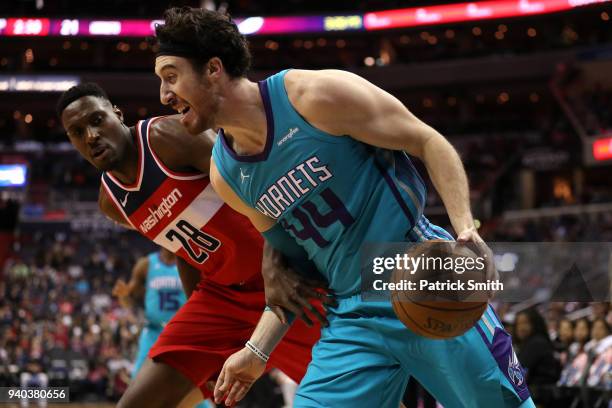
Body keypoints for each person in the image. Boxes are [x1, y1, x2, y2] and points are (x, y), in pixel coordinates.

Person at [153, 7, 535, 408]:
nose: (163, 95)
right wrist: (257, 350)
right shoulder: (227, 176)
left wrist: (465, 231)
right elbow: (295, 274)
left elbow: (427, 141)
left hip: (419, 274)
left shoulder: (313, 97)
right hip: (351, 313)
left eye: (171, 77)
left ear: (213, 69)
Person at [56, 83, 329, 408]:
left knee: (362, 396)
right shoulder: (112, 202)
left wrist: (276, 261)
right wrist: (202, 335)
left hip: (280, 281)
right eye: (77, 132)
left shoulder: (167, 138)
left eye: (97, 120)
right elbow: (184, 252)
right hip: (221, 297)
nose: (91, 136)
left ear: (117, 114)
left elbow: (258, 185)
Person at [111, 247, 186, 379]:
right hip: (153, 331)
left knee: (190, 382)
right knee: (138, 378)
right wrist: (123, 296)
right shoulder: (146, 264)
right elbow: (129, 303)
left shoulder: (189, 264)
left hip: (182, 333)